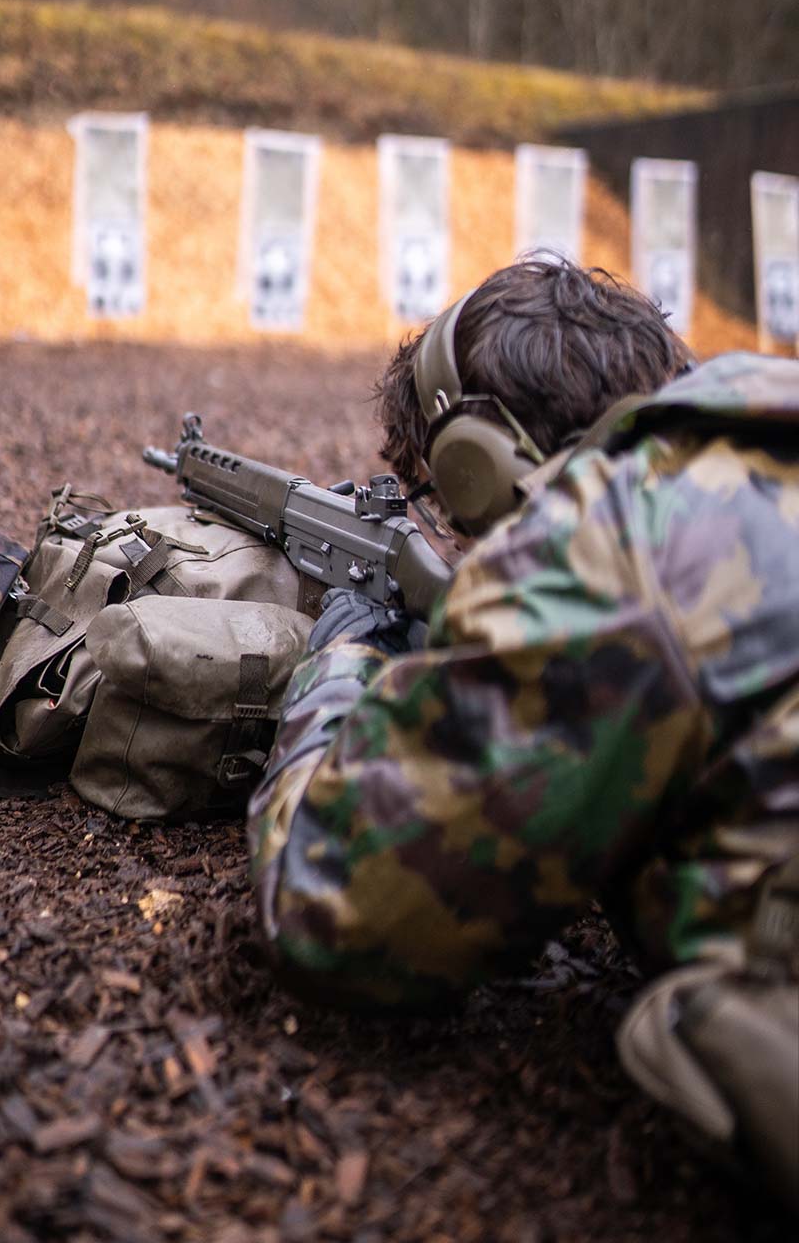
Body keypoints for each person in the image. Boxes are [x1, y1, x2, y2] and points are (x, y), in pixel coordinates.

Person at [247, 256, 799, 1210]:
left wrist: (344, 665)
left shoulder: (620, 545)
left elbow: (331, 903)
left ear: (484, 467)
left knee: (708, 1027)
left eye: (443, 505)